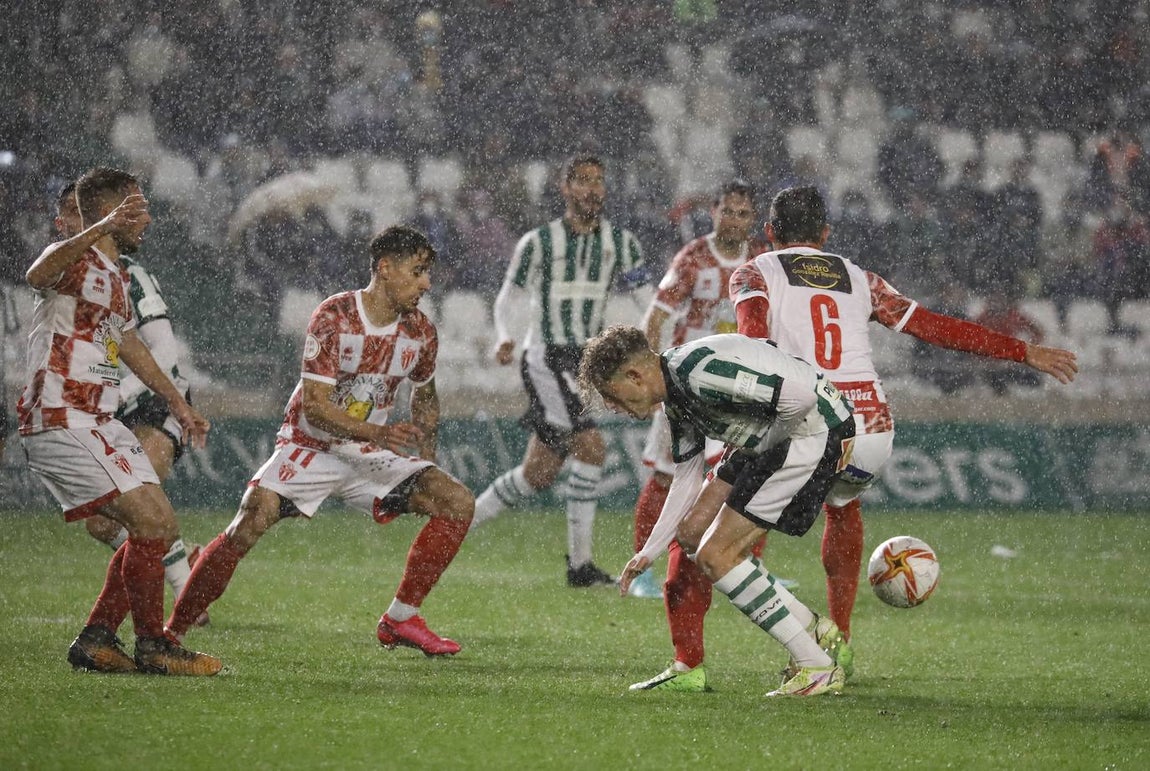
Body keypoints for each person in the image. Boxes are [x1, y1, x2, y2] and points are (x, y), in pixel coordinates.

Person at [729, 185, 1077, 663]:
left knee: (728, 538)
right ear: (825, 234)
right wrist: (1022, 350)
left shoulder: (753, 272)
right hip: (872, 428)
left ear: (769, 233)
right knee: (842, 507)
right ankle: (843, 640)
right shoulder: (859, 278)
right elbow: (933, 326)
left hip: (808, 419)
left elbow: (753, 341)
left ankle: (806, 638)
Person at [164, 226, 474, 656]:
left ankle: (400, 619)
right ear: (385, 268)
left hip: (367, 452)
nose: (427, 283)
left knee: (457, 503)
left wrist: (428, 459)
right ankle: (172, 634)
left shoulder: (421, 332)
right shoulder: (335, 317)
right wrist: (381, 432)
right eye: (418, 271)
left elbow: (425, 395)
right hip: (310, 445)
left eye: (428, 273)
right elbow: (317, 408)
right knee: (252, 519)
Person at [579, 325, 856, 697]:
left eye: (612, 395)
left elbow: (800, 399)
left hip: (813, 431)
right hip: (782, 433)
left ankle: (815, 666)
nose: (614, 407)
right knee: (694, 535)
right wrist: (648, 551)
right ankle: (814, 628)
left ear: (634, 375)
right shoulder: (676, 392)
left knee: (716, 554)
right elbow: (687, 477)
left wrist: (762, 445)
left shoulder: (698, 374)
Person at [18, 166, 219, 675]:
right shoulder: (75, 259)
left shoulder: (114, 275)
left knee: (156, 527)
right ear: (109, 212)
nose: (147, 217)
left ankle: (99, 639)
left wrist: (177, 401)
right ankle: (154, 646)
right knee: (151, 524)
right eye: (136, 208)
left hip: (97, 419)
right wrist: (94, 226)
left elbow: (127, 342)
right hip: (62, 417)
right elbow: (36, 275)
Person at [469, 154, 647, 587]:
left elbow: (648, 298)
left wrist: (654, 338)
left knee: (538, 474)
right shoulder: (538, 242)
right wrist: (504, 335)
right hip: (547, 357)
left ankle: (458, 522)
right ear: (565, 189)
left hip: (586, 359)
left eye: (598, 181)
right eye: (582, 181)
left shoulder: (621, 243)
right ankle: (580, 566)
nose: (592, 189)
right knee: (591, 447)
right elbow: (508, 298)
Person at [51, 182, 207, 626]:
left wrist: (167, 403)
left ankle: (184, 602)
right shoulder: (66, 275)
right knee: (102, 525)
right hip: (100, 410)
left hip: (151, 403)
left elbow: (161, 352)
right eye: (64, 216)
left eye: (77, 215)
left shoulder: (127, 274)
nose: (69, 225)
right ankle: (180, 560)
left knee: (147, 508)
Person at [630, 180, 766, 603]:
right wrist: (650, 378)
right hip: (688, 384)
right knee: (666, 475)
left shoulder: (762, 260)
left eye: (743, 213)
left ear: (753, 218)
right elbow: (655, 319)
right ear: (714, 211)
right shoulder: (694, 258)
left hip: (739, 386)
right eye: (728, 211)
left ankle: (746, 564)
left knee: (750, 473)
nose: (735, 220)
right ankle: (642, 571)